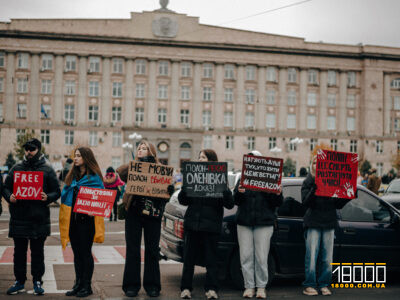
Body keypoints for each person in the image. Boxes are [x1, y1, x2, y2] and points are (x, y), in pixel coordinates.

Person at [3, 138, 61, 295]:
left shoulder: (47, 170)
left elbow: (57, 191)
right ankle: (19, 281)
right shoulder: (16, 169)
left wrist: (47, 197)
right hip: (19, 218)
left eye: (32, 149)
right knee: (19, 252)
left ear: (38, 150)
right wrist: (10, 197)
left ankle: (37, 281)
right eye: (26, 149)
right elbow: (6, 188)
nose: (28, 152)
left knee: (38, 252)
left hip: (38, 219)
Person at [117, 140, 174, 298]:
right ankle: (131, 285)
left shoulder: (160, 169)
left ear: (152, 152)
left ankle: (152, 285)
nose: (141, 150)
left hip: (153, 214)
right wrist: (136, 163)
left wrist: (169, 189)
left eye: (144, 148)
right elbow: (119, 172)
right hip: (134, 212)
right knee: (133, 249)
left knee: (152, 250)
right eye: (139, 148)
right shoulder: (134, 167)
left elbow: (167, 191)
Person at [179, 149, 234, 300]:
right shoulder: (193, 177)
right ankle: (185, 289)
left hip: (211, 226)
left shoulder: (219, 179)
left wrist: (225, 190)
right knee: (189, 260)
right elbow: (183, 201)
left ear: (211, 160)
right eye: (199, 157)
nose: (200, 159)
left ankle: (211, 289)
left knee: (211, 260)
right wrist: (185, 188)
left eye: (203, 157)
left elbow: (229, 204)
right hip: (193, 225)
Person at [301, 156, 354, 296]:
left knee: (327, 258)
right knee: (311, 256)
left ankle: (324, 284)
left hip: (329, 223)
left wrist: (349, 193)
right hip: (313, 223)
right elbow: (306, 203)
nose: (315, 165)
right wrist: (315, 187)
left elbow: (338, 204)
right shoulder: (308, 182)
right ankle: (310, 285)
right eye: (313, 162)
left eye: (318, 163)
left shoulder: (333, 181)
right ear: (310, 165)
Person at [233, 150, 283, 299]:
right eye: (249, 161)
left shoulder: (269, 177)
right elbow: (236, 201)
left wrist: (277, 194)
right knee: (246, 256)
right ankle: (249, 286)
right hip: (244, 222)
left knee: (261, 257)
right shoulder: (242, 178)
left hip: (264, 223)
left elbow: (278, 203)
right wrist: (240, 192)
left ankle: (261, 287)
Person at [59, 147, 105, 298]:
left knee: (85, 253)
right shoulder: (72, 176)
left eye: (79, 156)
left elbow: (103, 199)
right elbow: (65, 194)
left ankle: (87, 285)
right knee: (77, 253)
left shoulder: (94, 178)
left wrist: (95, 211)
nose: (76, 158)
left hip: (87, 222)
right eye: (75, 156)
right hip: (72, 220)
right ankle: (78, 284)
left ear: (86, 158)